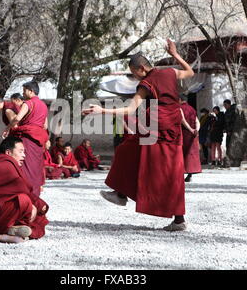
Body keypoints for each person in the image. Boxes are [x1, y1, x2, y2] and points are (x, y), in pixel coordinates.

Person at [83, 39, 195, 231]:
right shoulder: (170, 72)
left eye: (134, 73)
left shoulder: (146, 84)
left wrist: (102, 111)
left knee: (127, 151)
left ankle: (121, 193)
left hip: (156, 129)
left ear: (142, 68)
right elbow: (190, 72)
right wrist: (175, 55)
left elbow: (129, 109)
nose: (135, 77)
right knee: (172, 172)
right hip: (172, 129)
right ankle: (178, 219)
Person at [0, 137, 49, 239]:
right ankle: (9, 226)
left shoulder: (8, 163)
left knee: (33, 211)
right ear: (8, 152)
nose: (24, 155)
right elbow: (20, 187)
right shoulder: (2, 163)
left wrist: (36, 205)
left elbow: (16, 189)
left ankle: (12, 227)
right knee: (24, 201)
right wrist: (37, 204)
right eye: (20, 152)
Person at [3, 81, 49, 197]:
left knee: (25, 165)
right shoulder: (44, 106)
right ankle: (34, 194)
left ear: (31, 91)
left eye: (24, 91)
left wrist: (8, 128)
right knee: (35, 167)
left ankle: (24, 193)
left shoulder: (28, 103)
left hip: (27, 138)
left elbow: (17, 118)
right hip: (38, 139)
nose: (23, 94)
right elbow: (45, 126)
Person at [179, 95, 202, 182]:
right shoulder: (192, 109)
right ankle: (190, 174)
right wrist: (196, 130)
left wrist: (190, 129)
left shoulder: (179, 108)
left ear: (180, 100)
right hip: (193, 134)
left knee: (182, 153)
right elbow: (197, 121)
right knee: (191, 154)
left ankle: (181, 173)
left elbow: (182, 120)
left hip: (184, 133)